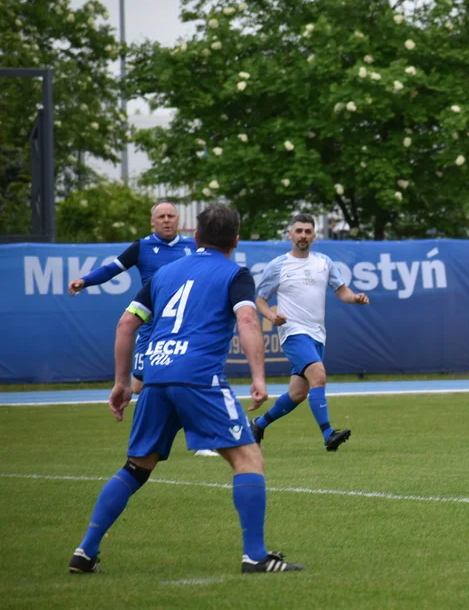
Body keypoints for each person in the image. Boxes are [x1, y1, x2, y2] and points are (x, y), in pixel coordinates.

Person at [68, 203, 303, 575]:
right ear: (236, 240)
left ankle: (85, 550)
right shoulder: (235, 273)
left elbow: (126, 325)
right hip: (199, 379)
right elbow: (246, 317)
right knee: (247, 459)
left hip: (156, 377)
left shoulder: (164, 274)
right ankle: (255, 556)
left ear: (195, 236)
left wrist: (121, 383)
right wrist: (259, 376)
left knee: (136, 466)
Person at [251, 213, 370, 451]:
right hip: (293, 333)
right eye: (299, 231)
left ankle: (258, 425)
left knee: (297, 393)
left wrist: (355, 298)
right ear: (290, 234)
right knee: (319, 375)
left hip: (317, 334)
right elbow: (260, 300)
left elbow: (342, 291)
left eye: (307, 232)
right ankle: (328, 435)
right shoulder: (278, 265)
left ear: (314, 236)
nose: (303, 235)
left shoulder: (324, 262)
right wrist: (272, 316)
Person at [68, 201, 197, 396]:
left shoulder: (194, 247)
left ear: (178, 219)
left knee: (184, 380)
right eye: (161, 217)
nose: (166, 221)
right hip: (150, 325)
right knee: (137, 386)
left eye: (170, 216)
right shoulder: (142, 247)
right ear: (152, 222)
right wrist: (85, 281)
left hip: (183, 326)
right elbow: (111, 269)